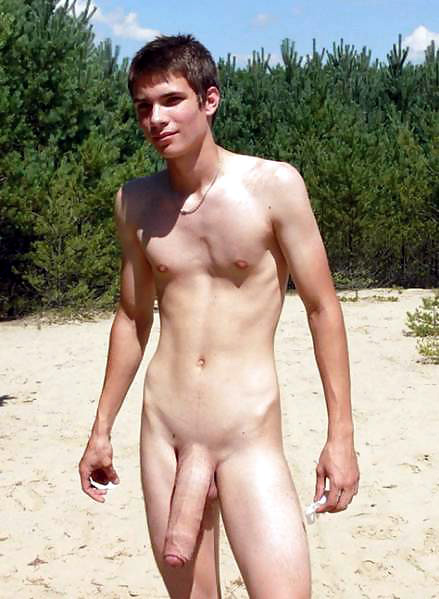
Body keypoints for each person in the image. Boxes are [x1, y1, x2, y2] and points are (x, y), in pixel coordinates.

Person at [79, 34, 360, 599]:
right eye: (143, 106)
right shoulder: (134, 202)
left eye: (171, 100)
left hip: (247, 431)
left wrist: (341, 437)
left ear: (209, 100)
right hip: (165, 428)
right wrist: (100, 429)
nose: (156, 119)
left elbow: (322, 307)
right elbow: (132, 317)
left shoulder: (274, 187)